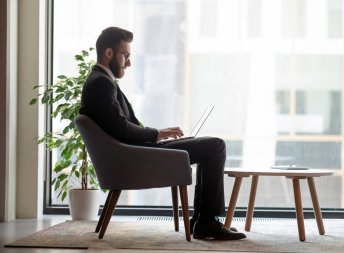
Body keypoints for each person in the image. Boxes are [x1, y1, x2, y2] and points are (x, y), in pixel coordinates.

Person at [80, 27, 246, 240]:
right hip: (136, 156)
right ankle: (205, 222)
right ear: (109, 53)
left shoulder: (100, 80)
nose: (129, 63)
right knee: (215, 146)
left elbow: (120, 127)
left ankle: (203, 220)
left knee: (207, 146)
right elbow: (121, 129)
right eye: (126, 56)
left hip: (136, 151)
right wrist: (157, 134)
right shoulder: (101, 83)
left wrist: (158, 134)